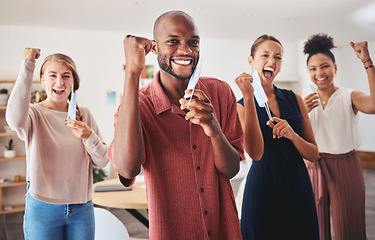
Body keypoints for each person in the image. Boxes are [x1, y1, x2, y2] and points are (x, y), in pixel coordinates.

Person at [109, 11, 244, 239]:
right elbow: (127, 168)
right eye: (173, 41)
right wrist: (132, 72)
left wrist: (214, 130)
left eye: (193, 42)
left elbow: (231, 169)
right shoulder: (139, 106)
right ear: (154, 48)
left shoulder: (221, 92)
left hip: (225, 232)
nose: (185, 50)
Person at [6, 48, 109, 240]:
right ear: (42, 79)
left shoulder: (84, 114)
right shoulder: (34, 114)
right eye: (53, 75)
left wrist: (89, 136)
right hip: (42, 207)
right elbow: (13, 120)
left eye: (66, 76)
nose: (60, 82)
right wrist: (28, 65)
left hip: (82, 208)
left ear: (73, 81)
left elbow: (103, 160)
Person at [235, 34, 320, 240]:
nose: (272, 61)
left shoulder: (295, 99)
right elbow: (254, 153)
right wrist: (248, 95)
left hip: (297, 186)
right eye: (265, 55)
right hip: (262, 188)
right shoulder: (241, 105)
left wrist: (292, 135)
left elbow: (314, 154)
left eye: (278, 57)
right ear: (251, 61)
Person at [302, 33, 375, 240]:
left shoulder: (349, 95)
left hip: (345, 164)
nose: (319, 73)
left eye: (325, 66)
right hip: (313, 165)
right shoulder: (303, 98)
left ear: (335, 68)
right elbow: (293, 133)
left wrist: (366, 61)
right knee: (316, 225)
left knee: (348, 225)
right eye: (313, 69)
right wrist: (301, 113)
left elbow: (373, 105)